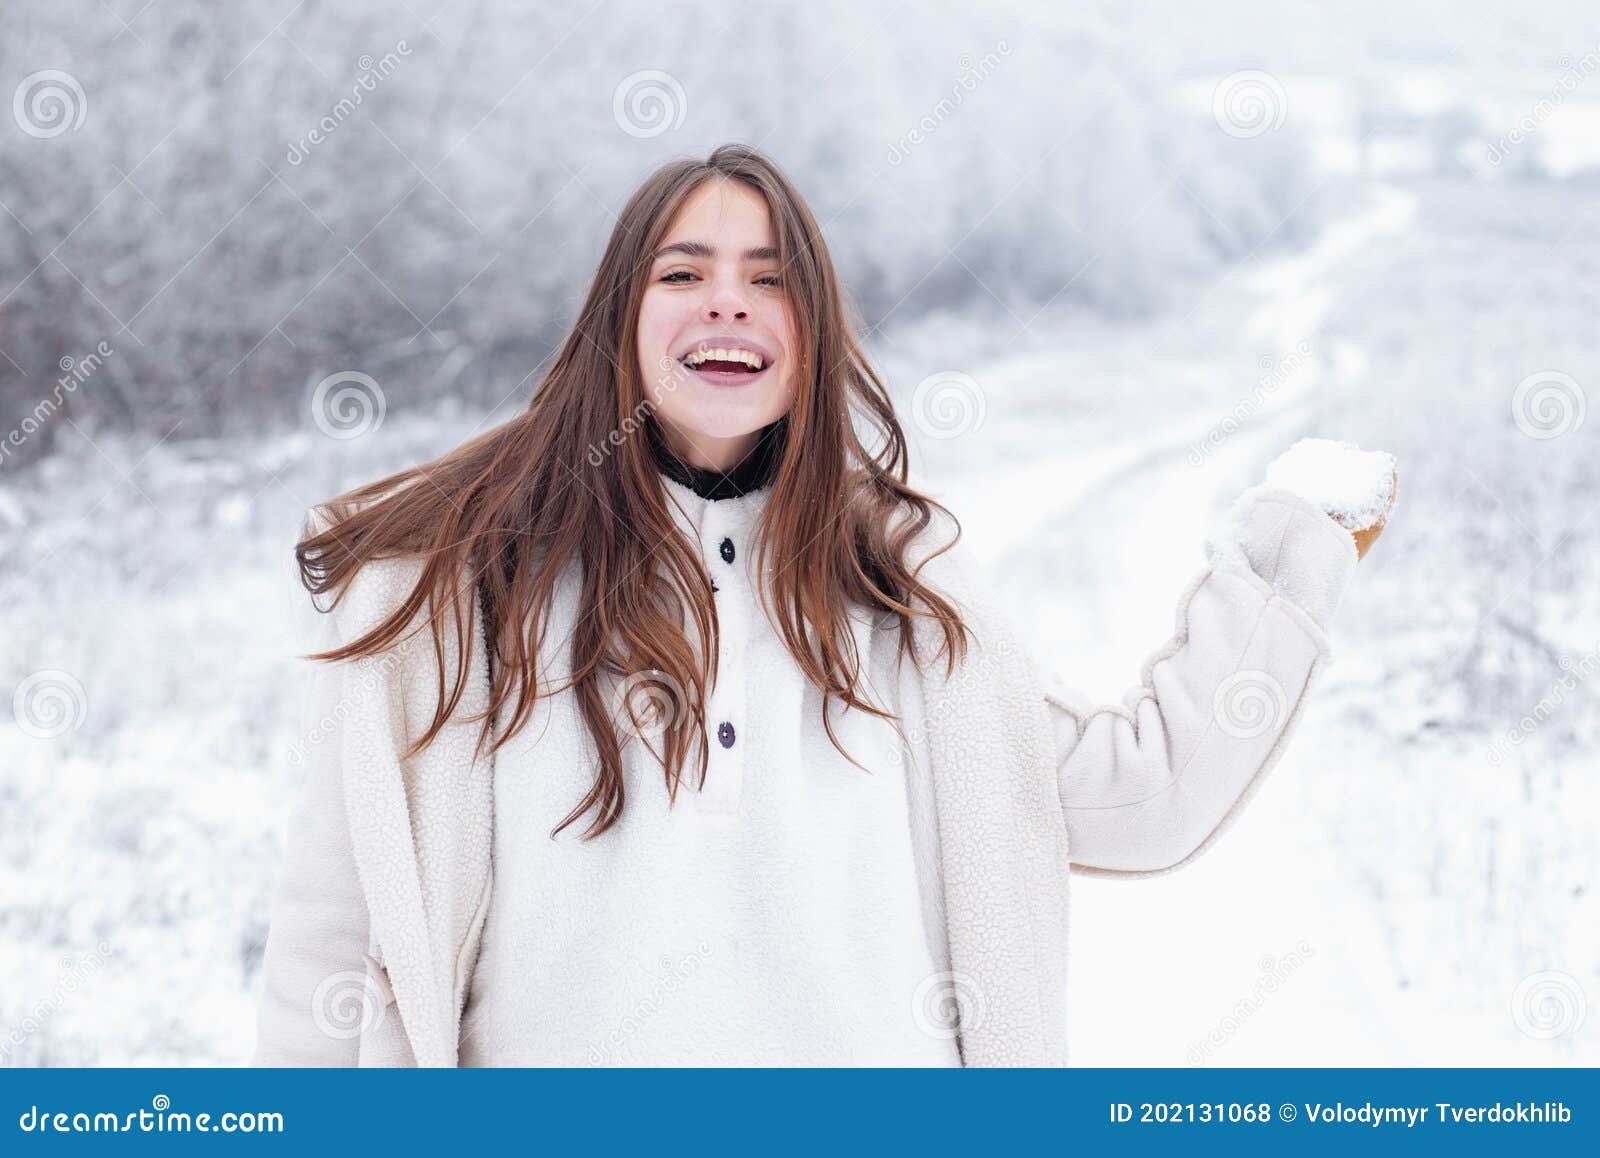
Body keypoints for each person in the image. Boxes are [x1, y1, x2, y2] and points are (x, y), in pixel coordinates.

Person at [252, 143, 1396, 1067]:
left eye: (770, 279)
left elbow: (1141, 802)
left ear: (814, 332)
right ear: (619, 319)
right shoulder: (458, 600)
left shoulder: (900, 600)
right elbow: (334, 948)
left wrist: (1296, 544)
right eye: (683, 272)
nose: (729, 305)